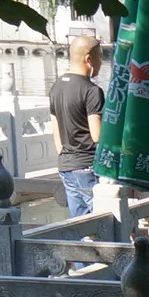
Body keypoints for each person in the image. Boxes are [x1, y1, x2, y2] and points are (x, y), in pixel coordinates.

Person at [50, 32, 105, 217]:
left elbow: (56, 131)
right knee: (100, 219)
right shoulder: (91, 91)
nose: (101, 62)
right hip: (87, 165)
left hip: (66, 165)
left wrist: (66, 156)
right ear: (88, 59)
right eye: (100, 57)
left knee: (80, 223)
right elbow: (97, 135)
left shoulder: (56, 87)